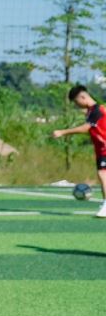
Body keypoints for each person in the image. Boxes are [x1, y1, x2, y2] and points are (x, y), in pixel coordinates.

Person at [52, 84, 106, 218]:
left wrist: (63, 132)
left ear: (83, 97)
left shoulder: (97, 110)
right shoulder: (90, 112)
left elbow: (86, 128)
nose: (77, 106)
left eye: (76, 102)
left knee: (102, 173)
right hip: (101, 149)